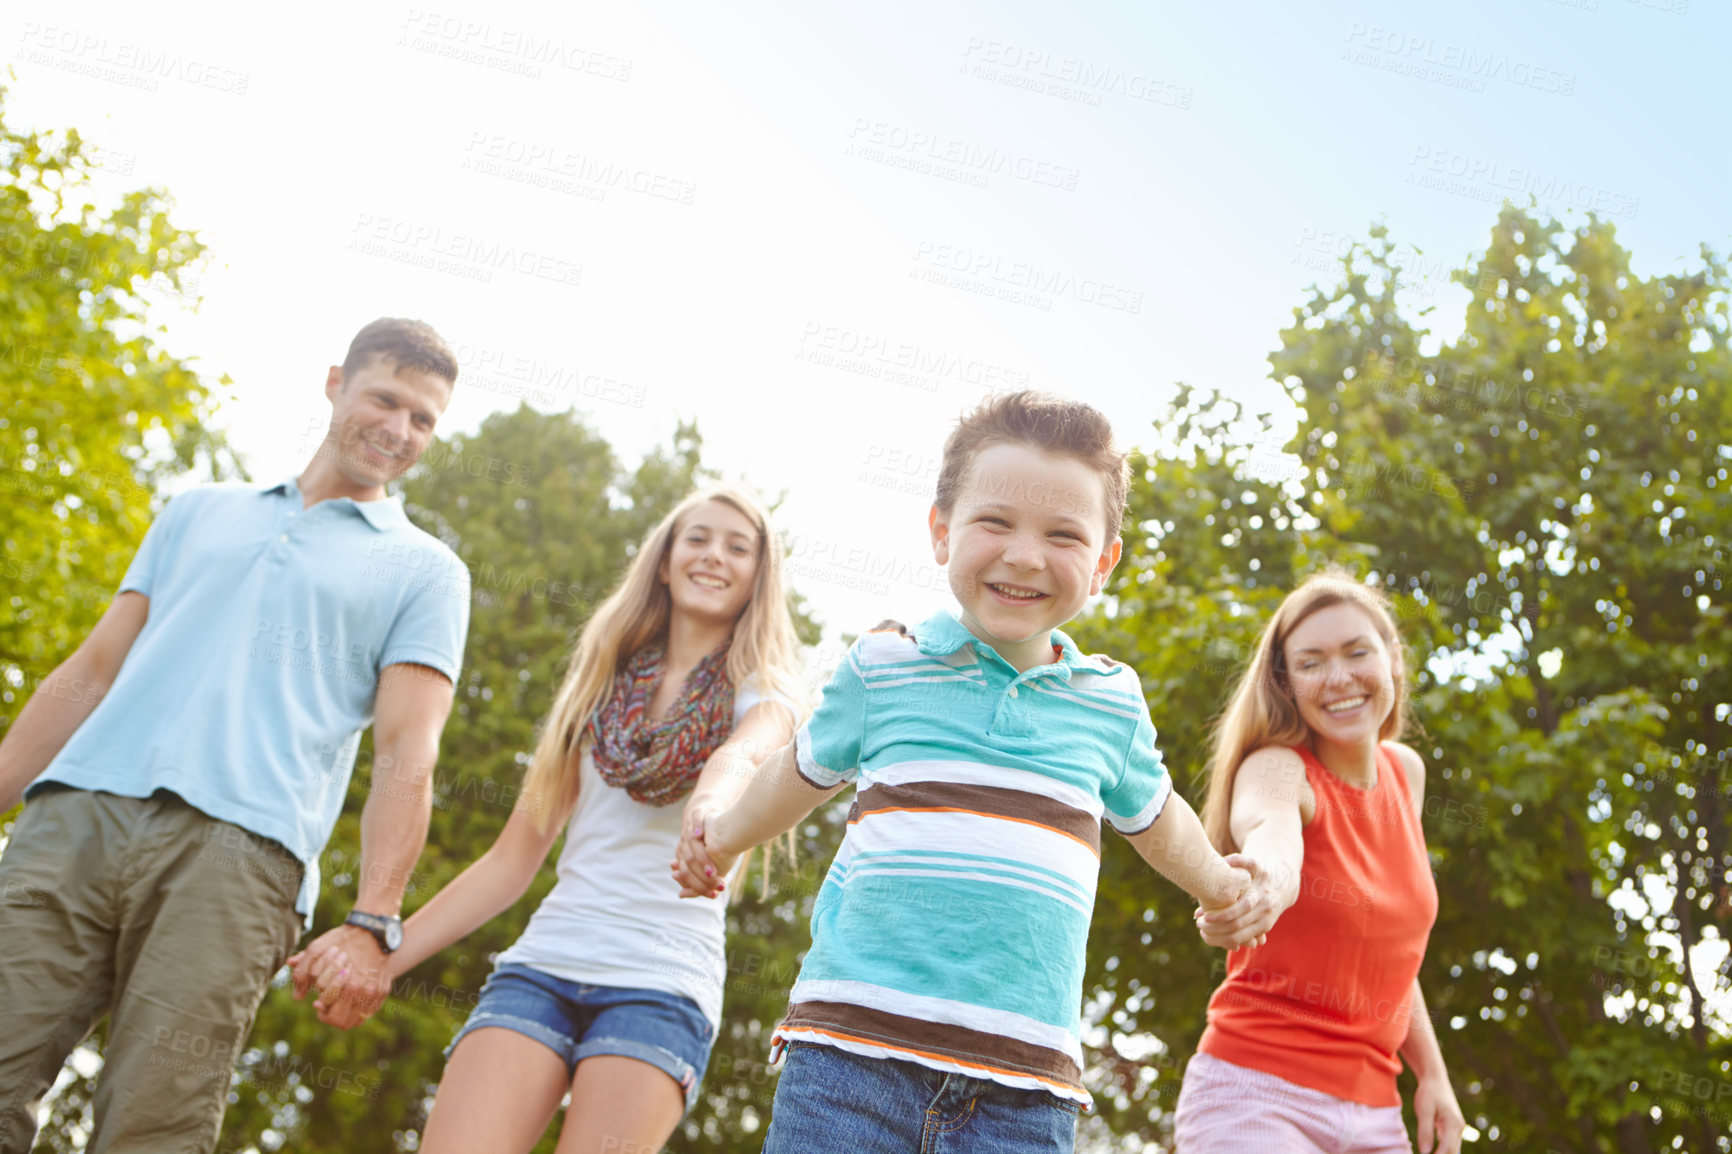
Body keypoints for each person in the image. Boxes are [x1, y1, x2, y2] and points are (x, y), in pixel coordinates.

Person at [673, 391, 1269, 1153]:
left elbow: (1160, 819)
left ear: (1102, 565)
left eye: (1063, 534)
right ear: (941, 531)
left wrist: (1223, 887)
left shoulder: (1110, 702)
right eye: (996, 522)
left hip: (1024, 1094)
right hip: (851, 1061)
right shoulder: (885, 665)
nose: (1024, 555)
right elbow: (796, 774)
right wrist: (719, 839)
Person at [0, 317, 471, 1154]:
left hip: (241, 855)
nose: (400, 431)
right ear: (335, 383)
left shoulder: (426, 570)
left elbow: (408, 751)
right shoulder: (196, 513)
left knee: (154, 1126)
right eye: (385, 400)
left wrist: (375, 920)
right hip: (74, 820)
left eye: (424, 419)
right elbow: (91, 670)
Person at [291, 486, 805, 1154]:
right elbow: (511, 862)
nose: (715, 556)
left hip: (661, 986)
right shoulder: (595, 694)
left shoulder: (765, 692)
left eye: (739, 547)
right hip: (542, 967)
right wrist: (383, 957)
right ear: (664, 560)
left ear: (758, 577)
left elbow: (745, 755)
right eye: (699, 538)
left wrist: (707, 810)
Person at [1177, 571, 1466, 1154]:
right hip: (1255, 1098)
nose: (1338, 678)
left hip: (1376, 1116)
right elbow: (1271, 836)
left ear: (1393, 658)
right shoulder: (1278, 767)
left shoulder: (1405, 774)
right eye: (1310, 663)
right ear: (1286, 684)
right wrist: (1267, 886)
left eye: (1356, 652)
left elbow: (1387, 957)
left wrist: (1433, 1074)